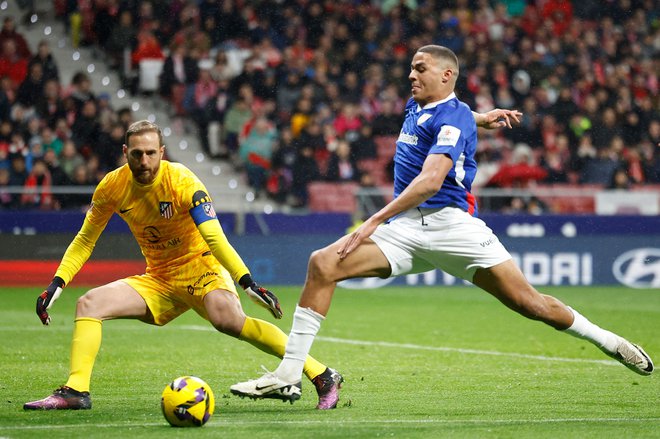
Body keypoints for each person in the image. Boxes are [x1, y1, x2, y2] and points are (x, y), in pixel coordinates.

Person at [230, 45, 654, 404]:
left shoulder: (452, 118)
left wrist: (373, 220)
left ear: (447, 74)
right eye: (411, 68)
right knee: (323, 263)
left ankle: (610, 342)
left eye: (420, 69)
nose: (410, 75)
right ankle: (288, 374)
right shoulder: (424, 107)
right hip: (406, 230)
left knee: (530, 305)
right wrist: (484, 118)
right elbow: (459, 112)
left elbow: (431, 181)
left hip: (452, 227)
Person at [23, 120, 343, 411]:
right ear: (125, 152)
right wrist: (57, 282)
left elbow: (215, 238)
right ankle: (76, 391)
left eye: (151, 153)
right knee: (89, 304)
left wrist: (247, 282)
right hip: (160, 278)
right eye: (137, 154)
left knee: (228, 320)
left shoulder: (182, 181)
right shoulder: (111, 186)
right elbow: (85, 240)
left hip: (200, 267)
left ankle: (321, 374)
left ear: (162, 151)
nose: (144, 161)